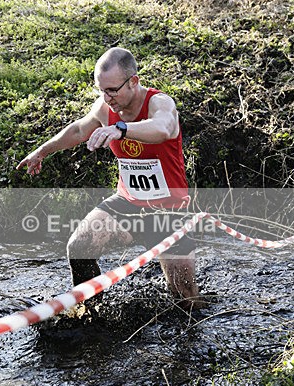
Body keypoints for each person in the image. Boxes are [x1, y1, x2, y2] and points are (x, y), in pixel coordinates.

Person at [17, 47, 207, 310]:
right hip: (127, 202)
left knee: (186, 300)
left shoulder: (159, 103)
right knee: (80, 247)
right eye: (101, 90)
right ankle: (89, 315)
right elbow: (79, 130)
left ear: (133, 82)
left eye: (112, 91)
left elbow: (162, 128)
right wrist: (41, 152)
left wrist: (122, 129)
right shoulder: (106, 108)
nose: (106, 98)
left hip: (168, 210)